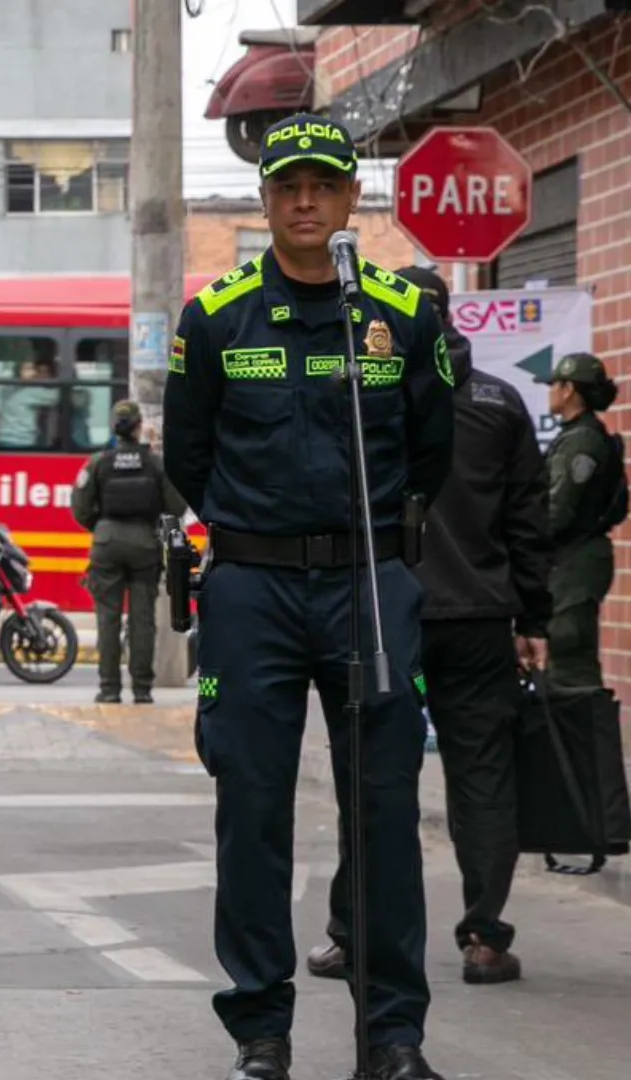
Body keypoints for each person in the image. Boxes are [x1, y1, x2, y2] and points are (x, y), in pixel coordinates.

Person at [162, 113, 455, 1080]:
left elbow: (434, 452)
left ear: (350, 200)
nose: (303, 202)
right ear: (265, 198)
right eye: (286, 186)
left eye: (322, 186)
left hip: (370, 583)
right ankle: (262, 1030)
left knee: (385, 812)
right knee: (252, 809)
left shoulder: (403, 316)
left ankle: (394, 1036)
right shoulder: (216, 318)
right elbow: (189, 456)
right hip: (253, 589)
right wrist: (262, 537)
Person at [305, 264, 550, 989]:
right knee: (483, 776)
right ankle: (484, 938)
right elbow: (528, 519)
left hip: (385, 613)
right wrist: (534, 616)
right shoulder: (500, 402)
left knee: (374, 774)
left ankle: (354, 935)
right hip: (479, 617)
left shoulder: (362, 397)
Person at [71, 400, 187, 704]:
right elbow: (177, 506)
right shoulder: (155, 464)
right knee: (142, 620)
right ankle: (142, 690)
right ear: (138, 428)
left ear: (114, 428)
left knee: (107, 618)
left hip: (107, 543)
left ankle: (109, 689)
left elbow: (80, 508)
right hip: (144, 544)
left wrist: (102, 527)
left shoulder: (98, 462)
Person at [535, 351, 624, 691]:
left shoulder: (582, 441)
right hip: (572, 560)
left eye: (554, 385)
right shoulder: (576, 436)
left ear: (569, 389)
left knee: (570, 663)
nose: (550, 392)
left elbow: (557, 511)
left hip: (576, 562)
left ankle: (584, 726)